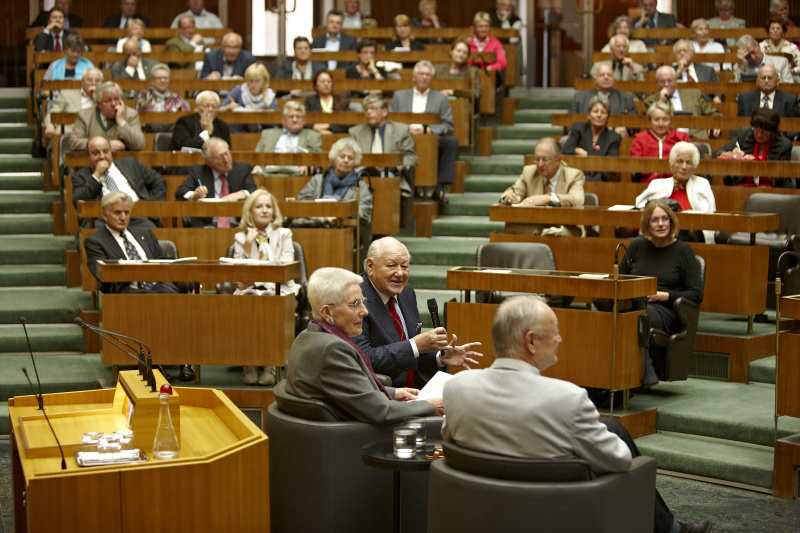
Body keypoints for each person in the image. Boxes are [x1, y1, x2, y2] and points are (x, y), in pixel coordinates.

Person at [441, 294, 711, 533]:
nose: (559, 339)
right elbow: (617, 462)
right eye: (554, 332)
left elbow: (452, 443)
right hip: (555, 513)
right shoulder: (568, 398)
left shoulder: (455, 388)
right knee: (616, 441)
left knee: (612, 427)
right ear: (531, 341)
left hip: (478, 511)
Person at [285, 267, 442, 424]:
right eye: (355, 304)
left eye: (363, 302)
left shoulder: (307, 337)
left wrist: (394, 393)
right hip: (354, 439)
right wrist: (429, 406)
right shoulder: (332, 350)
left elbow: (347, 391)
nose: (365, 311)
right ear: (327, 312)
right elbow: (382, 412)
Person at [354, 237, 482, 388]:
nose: (400, 273)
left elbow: (412, 352)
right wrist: (415, 345)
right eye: (392, 266)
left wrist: (440, 358)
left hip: (416, 390)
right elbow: (364, 358)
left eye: (405, 266)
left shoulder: (406, 292)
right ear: (370, 266)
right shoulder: (355, 299)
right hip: (383, 393)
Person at [619, 200, 705, 386]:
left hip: (666, 311)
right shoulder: (637, 247)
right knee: (608, 304)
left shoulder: (683, 251)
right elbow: (621, 281)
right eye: (654, 219)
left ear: (671, 221)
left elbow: (697, 294)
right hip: (637, 304)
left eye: (665, 219)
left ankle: (645, 366)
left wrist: (664, 296)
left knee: (638, 314)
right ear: (646, 224)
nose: (660, 224)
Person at [232, 188, 299, 385]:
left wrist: (255, 281)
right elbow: (237, 272)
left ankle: (270, 364)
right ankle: (250, 363)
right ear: (249, 211)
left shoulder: (284, 234)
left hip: (279, 287)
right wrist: (247, 244)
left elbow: (285, 266)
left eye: (268, 206)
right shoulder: (240, 237)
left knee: (270, 303)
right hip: (249, 290)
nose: (264, 210)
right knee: (247, 303)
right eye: (259, 206)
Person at [388, 60, 459, 204]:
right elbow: (389, 121)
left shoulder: (440, 98)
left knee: (451, 142)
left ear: (432, 78)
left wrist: (427, 129)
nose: (424, 77)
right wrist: (405, 129)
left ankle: (439, 188)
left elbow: (448, 125)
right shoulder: (399, 96)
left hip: (429, 138)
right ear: (414, 77)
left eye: (428, 74)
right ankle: (397, 186)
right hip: (404, 137)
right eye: (421, 74)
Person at [291, 138, 372, 254]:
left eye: (350, 158)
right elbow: (302, 200)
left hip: (342, 231)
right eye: (342, 156)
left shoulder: (361, 186)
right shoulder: (318, 180)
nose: (346, 160)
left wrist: (339, 216)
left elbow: (364, 212)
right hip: (313, 225)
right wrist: (318, 216)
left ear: (355, 162)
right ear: (334, 159)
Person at [71, 136, 167, 228]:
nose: (102, 156)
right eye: (96, 153)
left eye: (105, 151)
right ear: (88, 156)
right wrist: (96, 175)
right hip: (103, 220)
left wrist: (152, 206)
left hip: (137, 216)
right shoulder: (80, 176)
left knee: (151, 230)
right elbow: (78, 201)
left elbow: (158, 180)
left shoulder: (130, 163)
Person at [499, 137, 585, 236]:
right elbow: (512, 191)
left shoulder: (574, 175)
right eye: (537, 159)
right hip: (535, 227)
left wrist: (549, 198)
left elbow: (577, 199)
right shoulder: (529, 172)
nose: (540, 164)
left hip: (563, 225)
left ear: (558, 159)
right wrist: (508, 197)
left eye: (545, 160)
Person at [635, 142, 717, 243]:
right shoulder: (657, 185)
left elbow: (710, 218)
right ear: (672, 165)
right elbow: (641, 208)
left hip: (688, 238)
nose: (684, 167)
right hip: (658, 235)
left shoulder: (702, 184)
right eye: (679, 161)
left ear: (694, 167)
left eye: (688, 162)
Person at [174, 138, 256, 227]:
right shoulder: (198, 171)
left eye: (227, 153)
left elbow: (253, 190)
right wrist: (194, 195)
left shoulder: (242, 169)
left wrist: (241, 194)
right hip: (207, 225)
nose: (226, 160)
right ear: (208, 162)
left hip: (237, 224)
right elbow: (180, 192)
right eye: (219, 157)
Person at [714, 108, 793, 187]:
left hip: (770, 191)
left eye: (764, 131)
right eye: (756, 129)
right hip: (741, 188)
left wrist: (756, 164)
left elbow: (782, 179)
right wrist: (730, 155)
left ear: (772, 131)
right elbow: (716, 154)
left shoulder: (784, 145)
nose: (759, 134)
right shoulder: (744, 134)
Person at [349, 94, 418, 184]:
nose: (368, 112)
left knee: (384, 180)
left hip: (389, 173)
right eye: (366, 109)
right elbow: (350, 157)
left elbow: (411, 157)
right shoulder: (355, 132)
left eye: (373, 108)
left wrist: (390, 165)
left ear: (385, 111)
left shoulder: (401, 130)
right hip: (362, 174)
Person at [643, 66, 722, 140]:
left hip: (695, 138)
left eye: (670, 81)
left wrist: (715, 124)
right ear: (657, 83)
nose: (666, 84)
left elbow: (715, 113)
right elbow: (650, 122)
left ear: (676, 80)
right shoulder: (651, 101)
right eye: (663, 81)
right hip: (667, 140)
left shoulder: (694, 95)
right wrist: (661, 101)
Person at [68, 81, 145, 152]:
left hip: (122, 164)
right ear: (98, 103)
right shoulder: (85, 115)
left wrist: (121, 122)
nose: (113, 104)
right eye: (108, 100)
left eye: (116, 99)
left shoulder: (130, 114)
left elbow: (139, 144)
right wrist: (105, 145)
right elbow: (74, 142)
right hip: (92, 164)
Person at [252, 101, 323, 176]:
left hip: (297, 175)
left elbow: (318, 161)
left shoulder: (313, 136)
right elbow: (256, 157)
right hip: (267, 173)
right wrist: (257, 167)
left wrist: (308, 164)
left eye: (298, 117)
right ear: (283, 120)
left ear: (304, 120)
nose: (295, 120)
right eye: (291, 116)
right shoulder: (268, 134)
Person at [569, 62, 637, 137]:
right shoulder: (580, 97)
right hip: (586, 137)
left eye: (609, 75)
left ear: (614, 79)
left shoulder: (626, 98)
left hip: (616, 139)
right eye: (602, 75)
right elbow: (570, 120)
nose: (606, 77)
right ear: (595, 79)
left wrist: (626, 128)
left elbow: (633, 120)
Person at [563, 96, 622, 182]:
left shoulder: (614, 137)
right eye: (595, 111)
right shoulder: (578, 128)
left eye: (603, 112)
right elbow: (567, 151)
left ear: (608, 117)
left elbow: (611, 164)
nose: (599, 115)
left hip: (600, 180)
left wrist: (584, 154)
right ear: (588, 115)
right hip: (576, 177)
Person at [630, 102, 691, 183]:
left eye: (665, 119)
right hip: (649, 185)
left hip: (678, 184)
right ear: (649, 120)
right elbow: (636, 166)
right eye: (657, 119)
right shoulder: (640, 138)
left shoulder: (682, 137)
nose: (661, 124)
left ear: (670, 120)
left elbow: (689, 164)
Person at [43, 67, 102, 140]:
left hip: (97, 134)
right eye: (89, 80)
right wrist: (49, 124)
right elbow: (53, 111)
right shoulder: (66, 94)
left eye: (97, 80)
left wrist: (97, 99)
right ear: (82, 82)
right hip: (70, 132)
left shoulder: (105, 98)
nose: (93, 83)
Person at [219, 63, 277, 133]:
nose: (253, 84)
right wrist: (229, 107)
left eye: (257, 81)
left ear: (264, 80)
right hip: (239, 133)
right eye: (250, 81)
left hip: (263, 133)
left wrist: (256, 111)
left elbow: (273, 118)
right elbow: (219, 110)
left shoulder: (269, 95)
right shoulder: (239, 91)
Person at [133, 64, 191, 132]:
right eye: (159, 78)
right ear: (152, 80)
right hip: (148, 132)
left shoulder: (176, 98)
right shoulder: (143, 96)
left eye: (165, 78)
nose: (163, 81)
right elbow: (136, 118)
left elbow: (186, 120)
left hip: (172, 132)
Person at [304, 70, 351, 134]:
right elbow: (305, 121)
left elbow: (347, 123)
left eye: (329, 81)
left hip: (338, 135)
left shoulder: (341, 99)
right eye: (322, 81)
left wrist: (328, 126)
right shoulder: (310, 100)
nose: (326, 84)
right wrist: (318, 130)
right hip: (316, 134)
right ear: (316, 85)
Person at [467, 12, 507, 82]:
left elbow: (502, 63)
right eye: (480, 26)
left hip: (489, 77)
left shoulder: (496, 43)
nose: (483, 29)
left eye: (486, 26)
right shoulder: (468, 43)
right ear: (475, 27)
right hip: (470, 76)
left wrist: (490, 68)